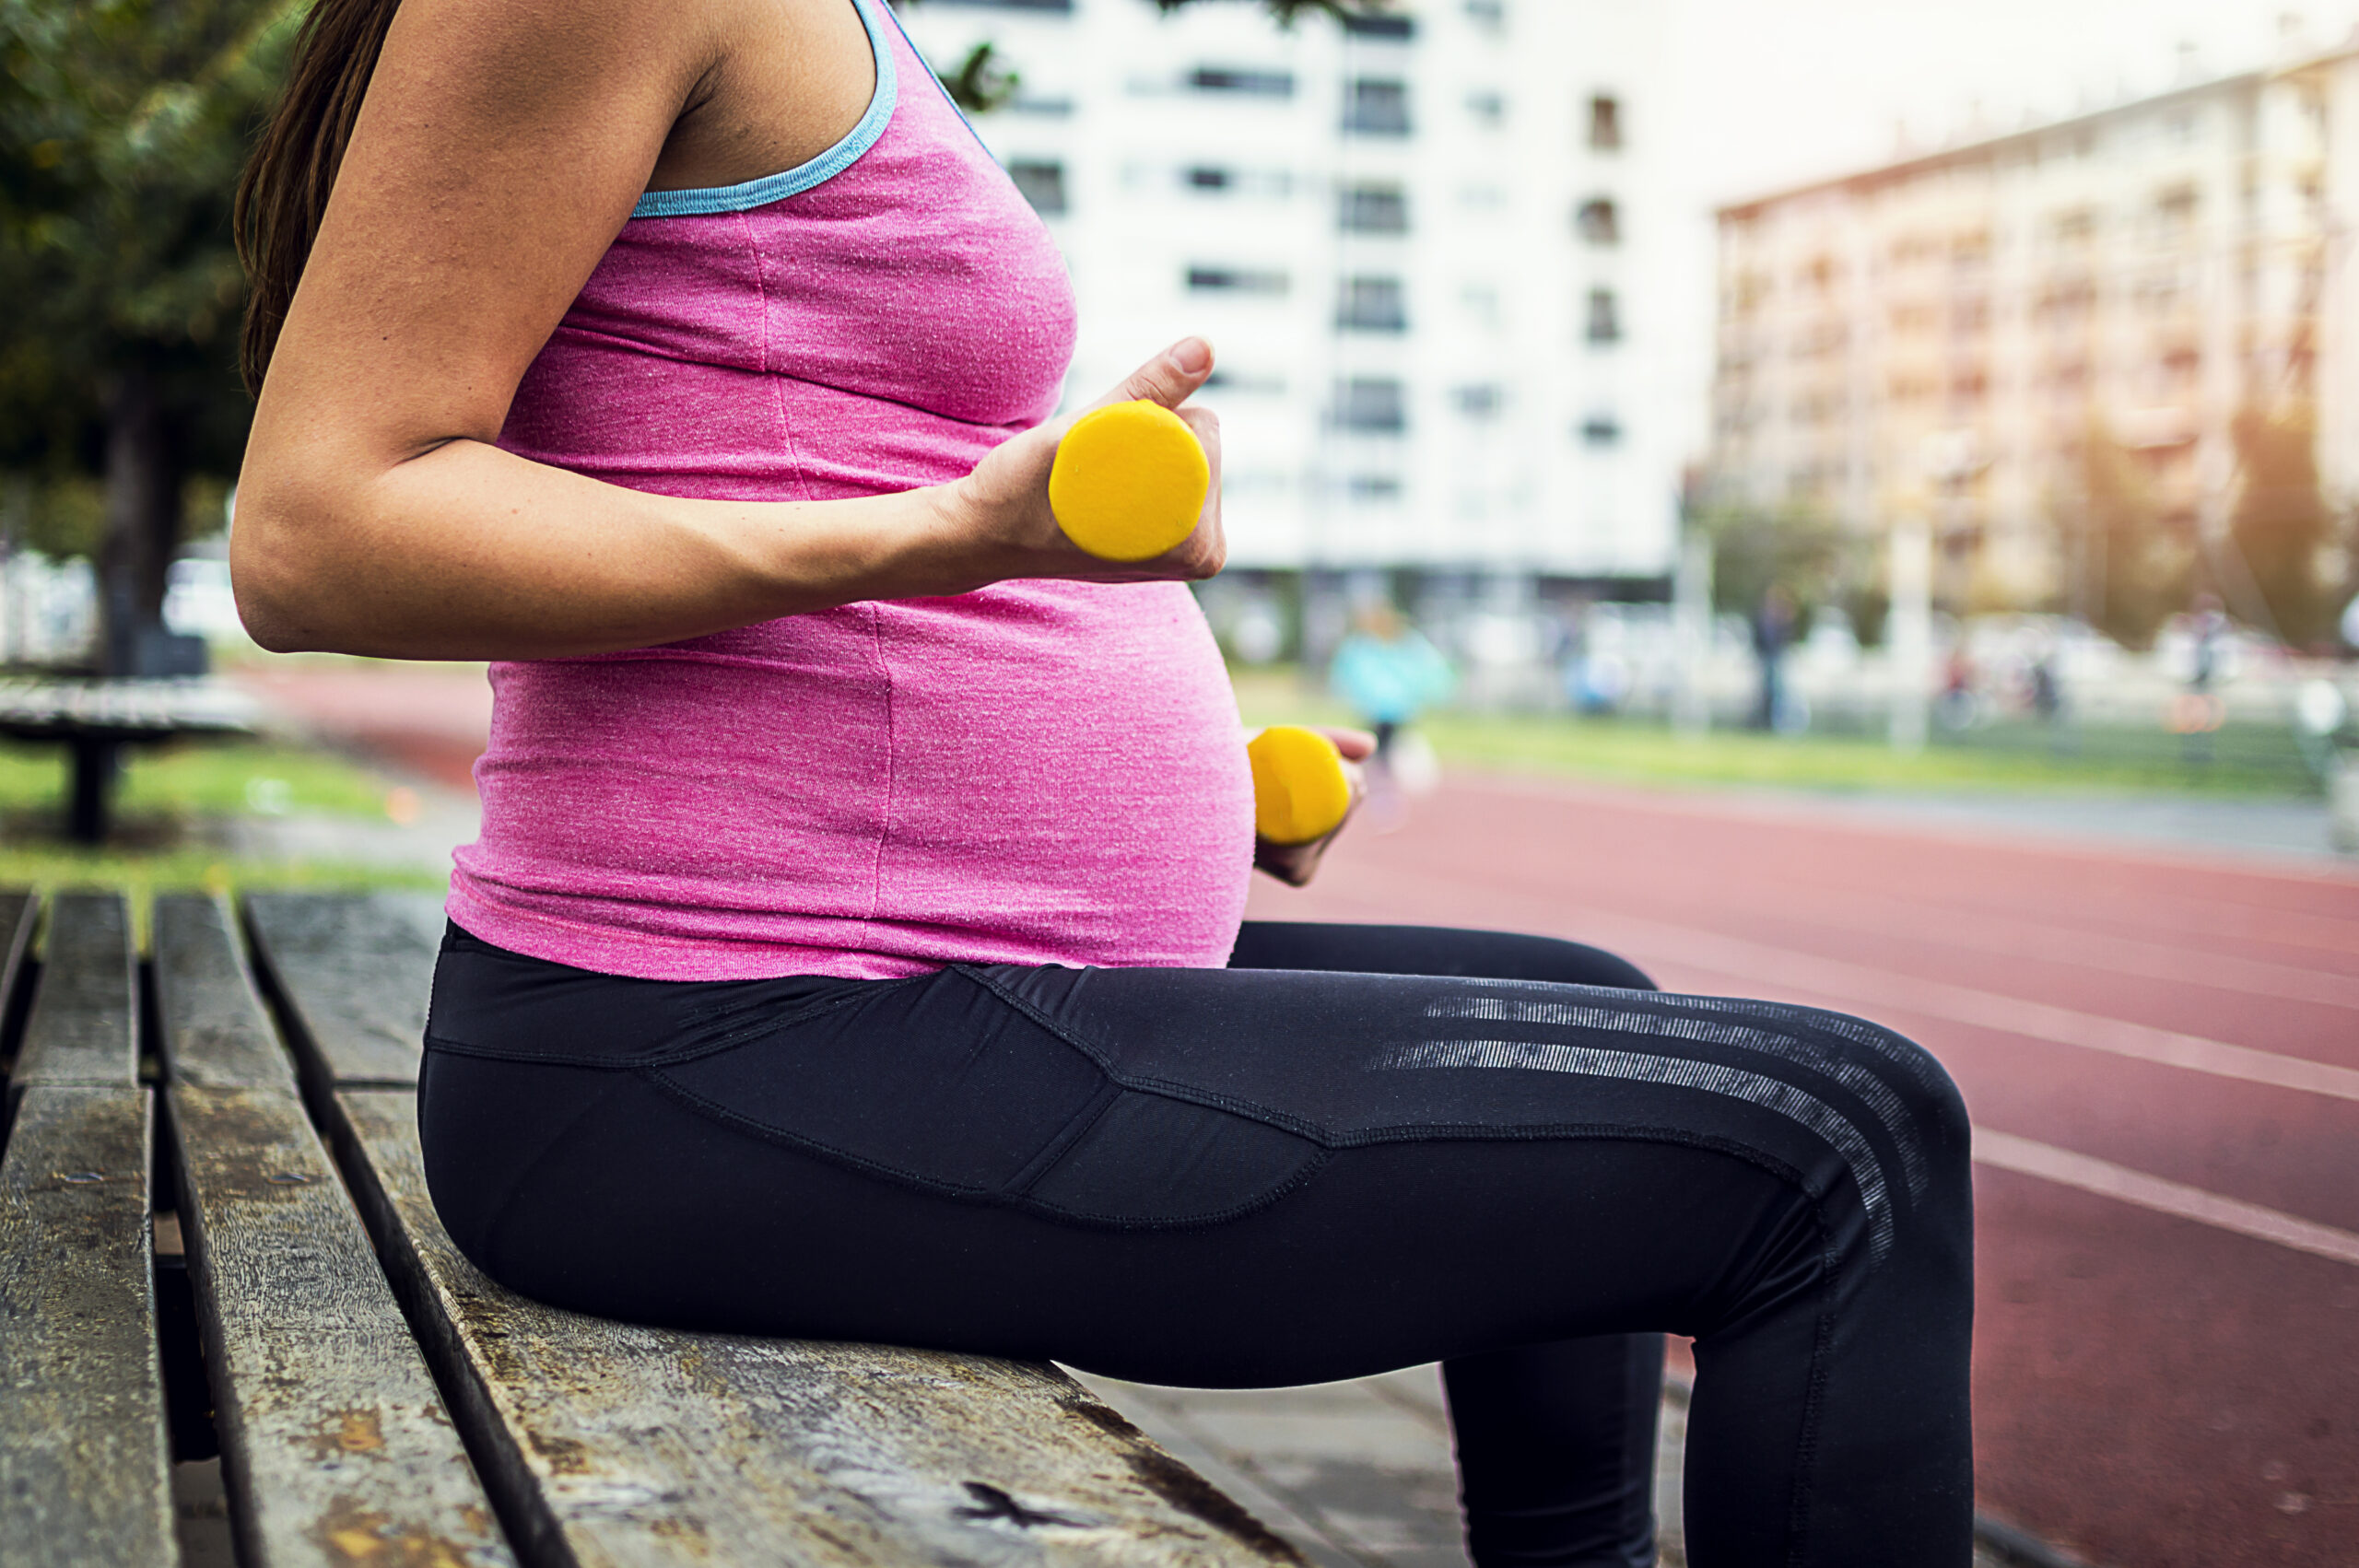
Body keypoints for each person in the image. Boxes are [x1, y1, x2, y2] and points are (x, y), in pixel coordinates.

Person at [229, 3, 1974, 1563]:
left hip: (855, 988)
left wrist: (1173, 785)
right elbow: (322, 530)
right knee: (1843, 1144)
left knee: (1586, 1000)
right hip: (690, 1051)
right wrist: (955, 536)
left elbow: (766, 445)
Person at [1328, 602, 1453, 786]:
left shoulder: (1401, 647)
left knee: (1381, 750)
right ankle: (1382, 780)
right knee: (1375, 749)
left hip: (1392, 710)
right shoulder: (1369, 647)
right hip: (1380, 710)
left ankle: (1383, 782)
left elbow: (1429, 672)